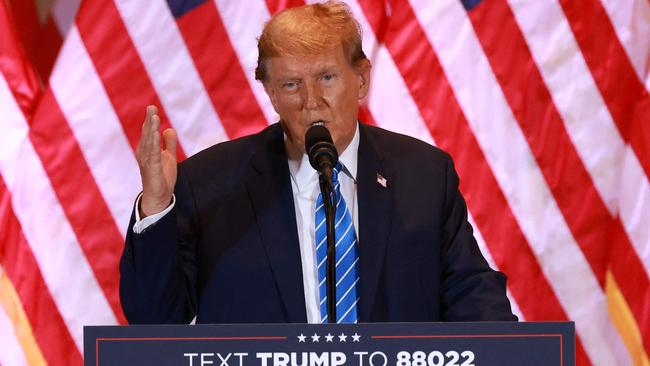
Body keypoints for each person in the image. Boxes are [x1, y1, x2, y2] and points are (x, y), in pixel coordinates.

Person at [120, 1, 516, 324]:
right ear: (271, 94)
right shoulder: (210, 183)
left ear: (361, 80)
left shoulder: (424, 176)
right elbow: (154, 319)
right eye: (291, 84)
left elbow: (472, 297)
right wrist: (155, 206)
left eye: (327, 78)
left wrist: (513, 354)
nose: (311, 100)